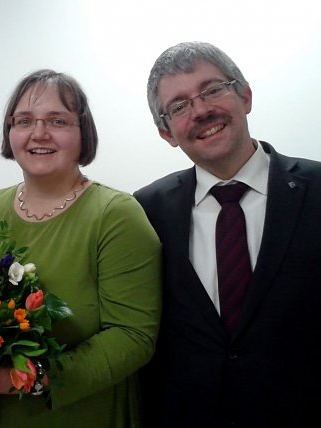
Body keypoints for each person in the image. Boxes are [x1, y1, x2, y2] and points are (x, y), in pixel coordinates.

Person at [0, 69, 162, 427]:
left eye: (57, 120)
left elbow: (132, 337)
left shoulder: (116, 216)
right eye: (24, 120)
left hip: (78, 413)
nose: (38, 134)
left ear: (82, 132)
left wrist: (23, 378)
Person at [134, 41, 321, 428]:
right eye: (180, 106)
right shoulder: (145, 212)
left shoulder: (317, 189)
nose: (202, 110)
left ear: (245, 96)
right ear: (166, 133)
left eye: (213, 89)